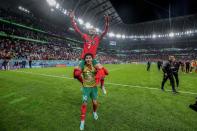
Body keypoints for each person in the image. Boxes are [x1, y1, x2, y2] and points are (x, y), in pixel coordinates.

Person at [70, 11, 109, 94]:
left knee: (102, 72)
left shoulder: (98, 38)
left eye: (93, 29)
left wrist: (107, 22)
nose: (91, 30)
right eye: (90, 29)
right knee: (76, 74)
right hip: (84, 59)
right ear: (88, 31)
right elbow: (76, 30)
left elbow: (105, 32)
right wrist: (72, 19)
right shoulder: (85, 36)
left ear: (95, 32)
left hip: (93, 59)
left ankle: (102, 86)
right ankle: (84, 83)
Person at [78, 53, 100, 130]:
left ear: (92, 59)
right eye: (86, 58)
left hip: (94, 88)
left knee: (95, 103)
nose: (88, 59)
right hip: (86, 88)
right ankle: (82, 121)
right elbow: (78, 74)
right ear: (85, 59)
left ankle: (94, 112)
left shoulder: (95, 67)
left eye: (89, 58)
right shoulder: (82, 67)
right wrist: (82, 83)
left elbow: (100, 74)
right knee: (84, 104)